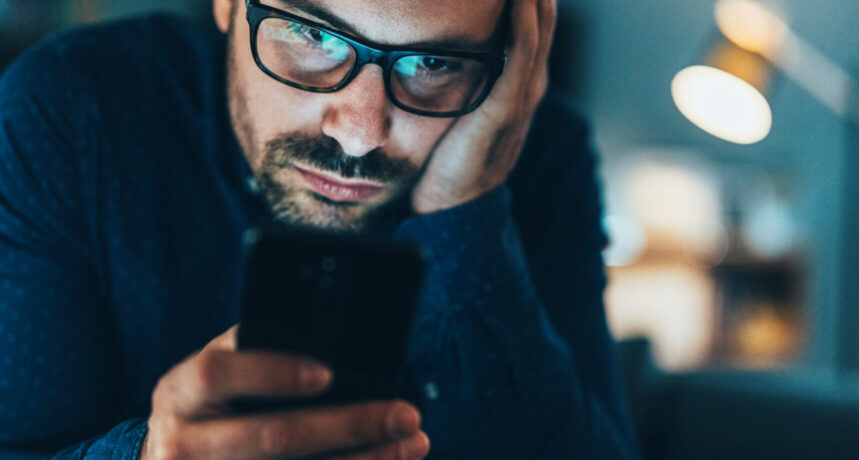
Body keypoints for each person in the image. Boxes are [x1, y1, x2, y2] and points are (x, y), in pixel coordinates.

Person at [0, 0, 638, 458]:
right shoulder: (72, 112)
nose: (359, 135)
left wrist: (464, 212)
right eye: (314, 36)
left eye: (434, 63)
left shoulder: (543, 154)